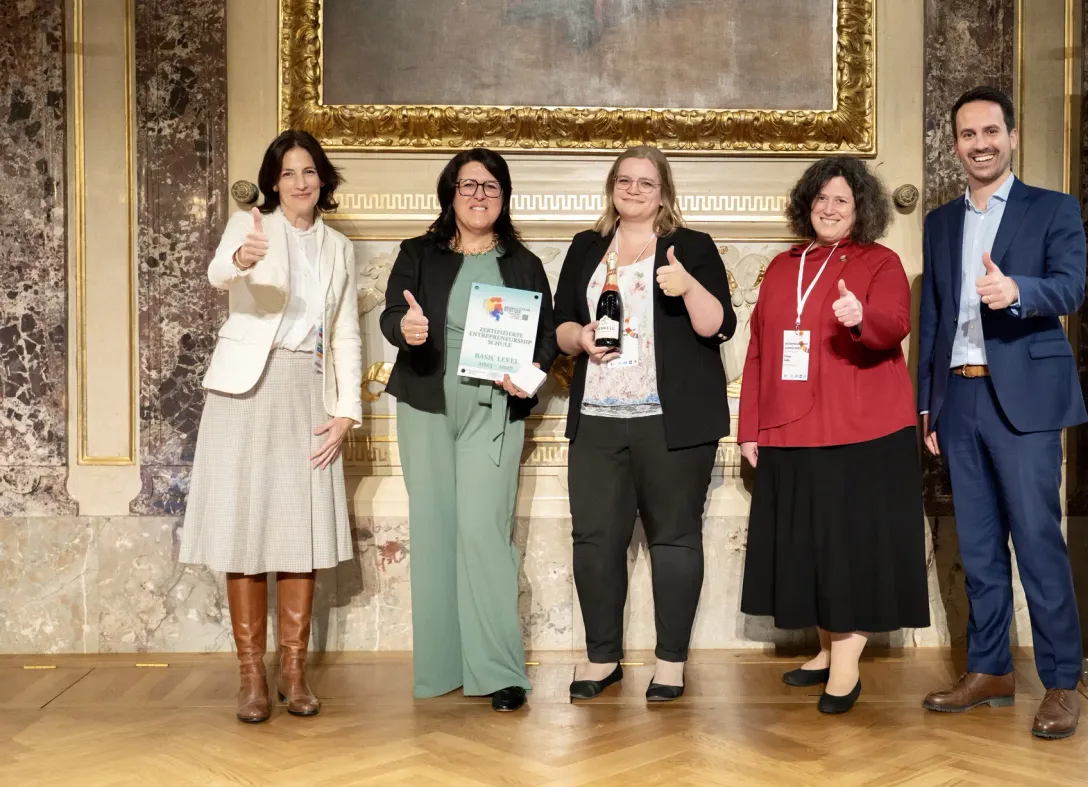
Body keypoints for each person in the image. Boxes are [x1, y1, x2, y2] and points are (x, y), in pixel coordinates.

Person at [918, 86, 1087, 739]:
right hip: (958, 396)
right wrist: (927, 403)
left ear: (1012, 137)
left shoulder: (1053, 209)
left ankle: (1062, 682)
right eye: (968, 134)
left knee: (1039, 542)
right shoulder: (940, 223)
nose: (980, 144)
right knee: (980, 546)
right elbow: (932, 315)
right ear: (955, 144)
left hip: (1025, 399)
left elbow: (1071, 285)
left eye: (991, 131)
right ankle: (989, 668)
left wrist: (1018, 290)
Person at [738, 156, 930, 714]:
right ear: (807, 204)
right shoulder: (781, 265)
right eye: (821, 198)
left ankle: (845, 669)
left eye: (841, 200)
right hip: (790, 428)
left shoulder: (880, 261)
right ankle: (824, 651)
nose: (829, 207)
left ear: (860, 209)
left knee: (849, 551)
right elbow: (758, 350)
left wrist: (859, 315)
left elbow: (896, 323)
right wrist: (750, 425)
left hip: (863, 431)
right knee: (813, 547)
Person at [180, 130, 360, 723]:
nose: (300, 182)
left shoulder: (337, 246)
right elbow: (216, 274)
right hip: (245, 390)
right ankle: (252, 676)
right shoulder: (250, 224)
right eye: (288, 173)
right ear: (273, 182)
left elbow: (345, 334)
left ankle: (293, 672)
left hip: (307, 388)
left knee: (299, 531)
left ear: (322, 179)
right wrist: (240, 259)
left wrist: (346, 409)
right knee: (246, 528)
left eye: (309, 171)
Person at [554, 146, 735, 702]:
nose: (634, 190)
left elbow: (718, 326)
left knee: (675, 541)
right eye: (625, 180)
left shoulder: (691, 247)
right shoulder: (586, 248)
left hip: (672, 423)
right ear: (612, 186)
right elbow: (561, 326)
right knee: (594, 542)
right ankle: (601, 657)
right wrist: (581, 338)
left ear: (664, 192)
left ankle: (670, 663)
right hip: (598, 420)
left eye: (646, 182)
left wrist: (688, 285)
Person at [380, 148, 556, 713]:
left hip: (493, 407)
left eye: (490, 187)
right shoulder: (417, 254)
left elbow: (547, 340)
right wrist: (404, 328)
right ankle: (441, 667)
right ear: (450, 193)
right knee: (435, 531)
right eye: (468, 185)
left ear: (504, 198)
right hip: (427, 401)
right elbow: (390, 315)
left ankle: (499, 671)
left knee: (483, 532)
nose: (479, 195)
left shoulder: (524, 263)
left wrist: (527, 378)